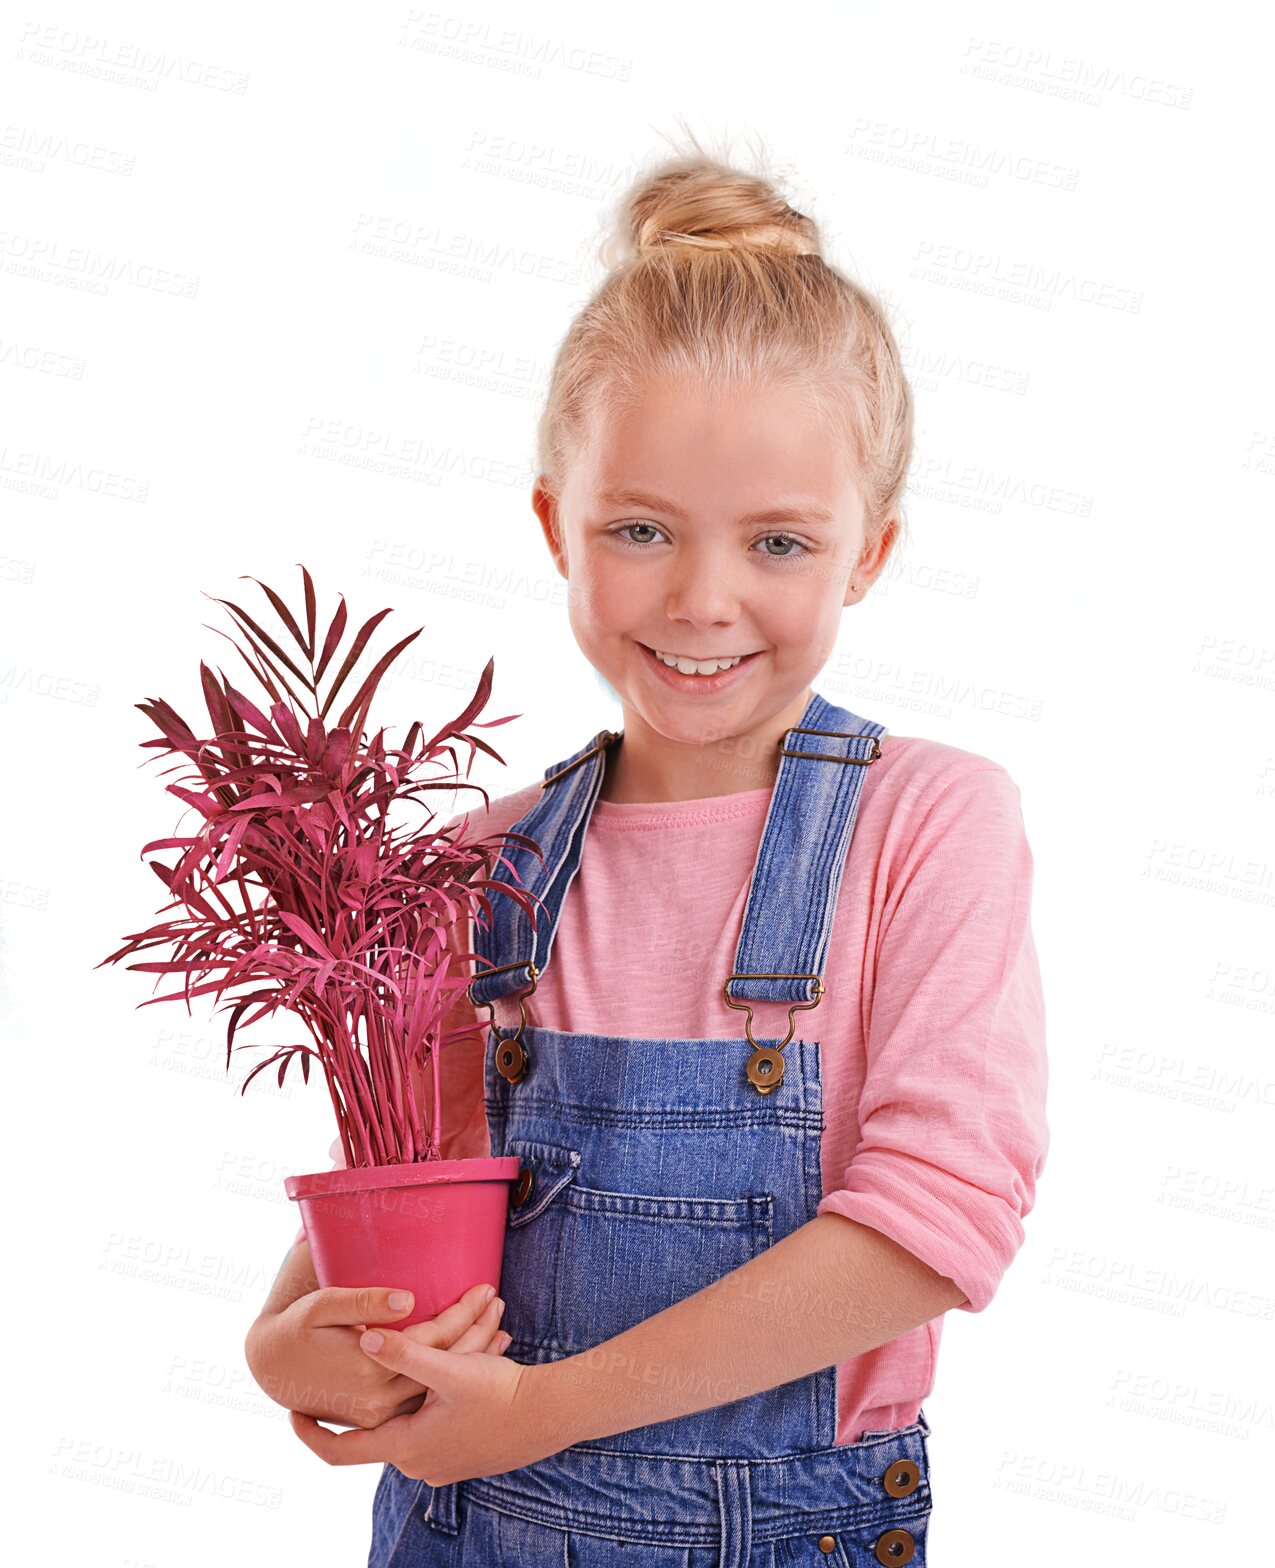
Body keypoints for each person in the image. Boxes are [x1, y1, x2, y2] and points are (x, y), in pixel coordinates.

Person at [245, 132, 1049, 1567]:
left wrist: (546, 1411)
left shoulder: (929, 826)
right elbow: (404, 1179)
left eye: (780, 545)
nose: (702, 597)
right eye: (640, 528)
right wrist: (293, 1347)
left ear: (870, 551)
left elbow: (939, 1222)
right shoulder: (474, 865)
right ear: (557, 526)